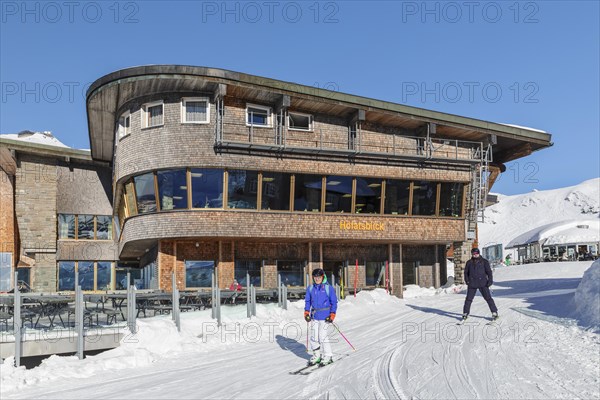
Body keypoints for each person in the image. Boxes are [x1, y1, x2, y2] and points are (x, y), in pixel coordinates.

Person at [304, 268, 338, 365]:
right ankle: (317, 355)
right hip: (314, 316)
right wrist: (306, 313)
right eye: (315, 277)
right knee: (314, 337)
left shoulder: (328, 288)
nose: (317, 279)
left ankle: (328, 355)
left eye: (319, 277)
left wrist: (332, 314)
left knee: (322, 336)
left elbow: (334, 302)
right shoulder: (311, 288)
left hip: (325, 316)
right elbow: (308, 302)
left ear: (323, 277)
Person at [462, 248, 498, 321]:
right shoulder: (469, 262)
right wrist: (467, 280)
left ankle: (494, 312)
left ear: (479, 253)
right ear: (472, 254)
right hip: (472, 283)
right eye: (474, 254)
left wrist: (490, 281)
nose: (475, 255)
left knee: (488, 298)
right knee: (468, 299)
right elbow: (466, 273)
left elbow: (489, 272)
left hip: (483, 283)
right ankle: (465, 313)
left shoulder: (484, 262)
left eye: (476, 254)